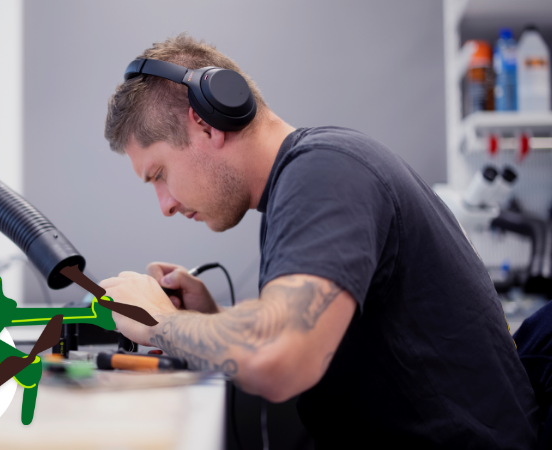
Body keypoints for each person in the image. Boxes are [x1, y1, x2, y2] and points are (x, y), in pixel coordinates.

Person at [98, 33, 538, 448]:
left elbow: (280, 356)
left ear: (207, 125)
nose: (165, 205)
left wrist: (156, 319)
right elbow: (312, 331)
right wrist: (211, 318)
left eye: (159, 175)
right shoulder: (313, 173)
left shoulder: (324, 174)